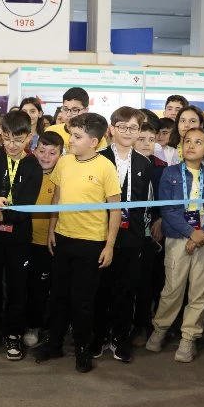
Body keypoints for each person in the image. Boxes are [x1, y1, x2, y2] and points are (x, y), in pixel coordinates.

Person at [34, 113, 122, 373]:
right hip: (63, 238)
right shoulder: (64, 162)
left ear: (94, 141)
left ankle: (83, 348)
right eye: (71, 135)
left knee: (82, 301)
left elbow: (115, 210)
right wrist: (52, 229)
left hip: (91, 243)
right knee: (58, 296)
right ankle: (55, 343)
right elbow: (57, 198)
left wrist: (109, 245)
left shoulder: (106, 167)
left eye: (76, 136)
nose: (70, 140)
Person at [146, 128, 204, 362]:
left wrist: (203, 234)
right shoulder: (169, 173)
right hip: (178, 237)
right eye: (187, 141)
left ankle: (189, 337)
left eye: (198, 142)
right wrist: (191, 233)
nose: (191, 145)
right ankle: (160, 328)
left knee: (200, 291)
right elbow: (168, 210)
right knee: (172, 289)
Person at [0, 110, 43, 361]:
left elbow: (28, 204)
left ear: (29, 138)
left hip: (19, 238)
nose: (12, 145)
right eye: (7, 139)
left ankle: (13, 333)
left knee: (17, 287)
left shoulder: (34, 165)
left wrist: (5, 216)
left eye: (18, 140)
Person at [94, 107, 152, 363]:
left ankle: (120, 337)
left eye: (133, 128)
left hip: (132, 235)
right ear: (112, 129)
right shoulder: (99, 158)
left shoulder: (144, 163)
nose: (128, 132)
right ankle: (98, 336)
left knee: (126, 289)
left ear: (139, 131)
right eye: (122, 127)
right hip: (100, 231)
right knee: (100, 288)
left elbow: (146, 203)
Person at [25, 131, 64, 347]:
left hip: (46, 243)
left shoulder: (61, 178)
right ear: (34, 150)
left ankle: (36, 326)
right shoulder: (26, 171)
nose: (46, 157)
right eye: (42, 151)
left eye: (52, 153)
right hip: (23, 240)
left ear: (61, 155)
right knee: (22, 287)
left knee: (41, 288)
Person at [131, 122, 167, 345]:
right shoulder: (124, 164)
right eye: (141, 139)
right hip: (128, 228)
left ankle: (143, 322)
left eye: (151, 140)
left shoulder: (162, 168)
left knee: (148, 279)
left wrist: (161, 219)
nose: (146, 144)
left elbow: (169, 199)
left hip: (151, 231)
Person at [46, 88, 108, 153]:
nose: (68, 114)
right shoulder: (51, 131)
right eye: (65, 109)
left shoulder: (95, 136)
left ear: (86, 110)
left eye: (75, 110)